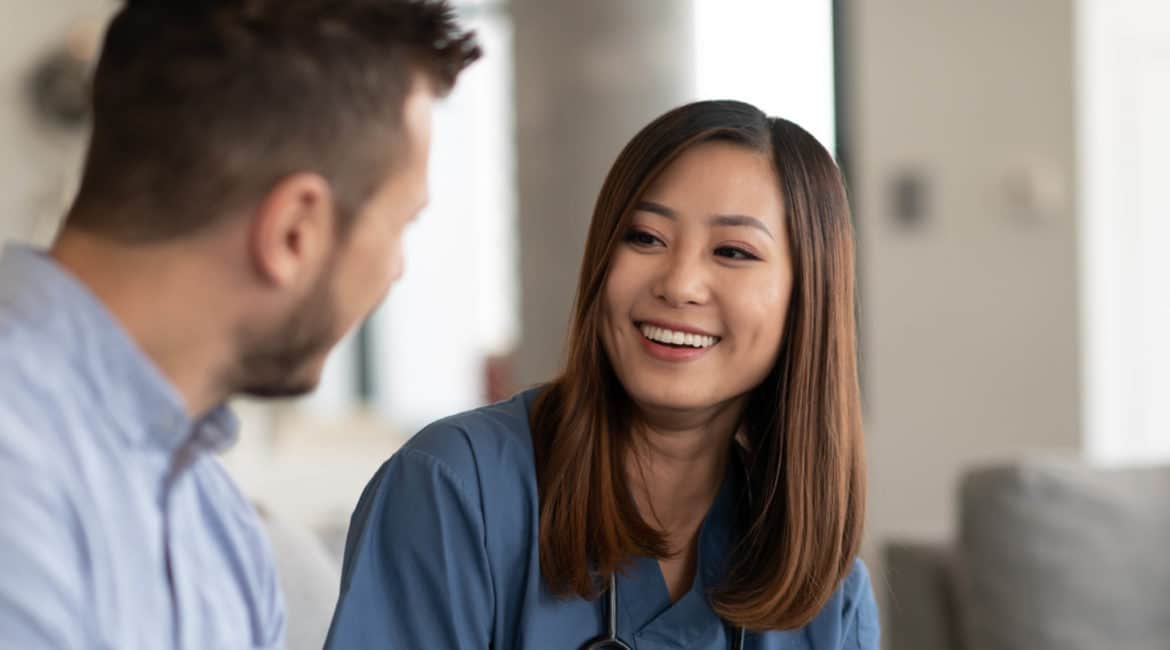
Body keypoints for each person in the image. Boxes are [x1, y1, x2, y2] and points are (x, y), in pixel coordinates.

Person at [0, 1, 480, 648]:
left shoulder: (216, 523)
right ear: (293, 231)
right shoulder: (20, 468)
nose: (395, 269)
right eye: (400, 225)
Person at [326, 100, 880, 649]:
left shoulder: (826, 592)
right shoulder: (454, 489)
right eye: (644, 237)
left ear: (807, 299)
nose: (679, 283)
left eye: (733, 251)